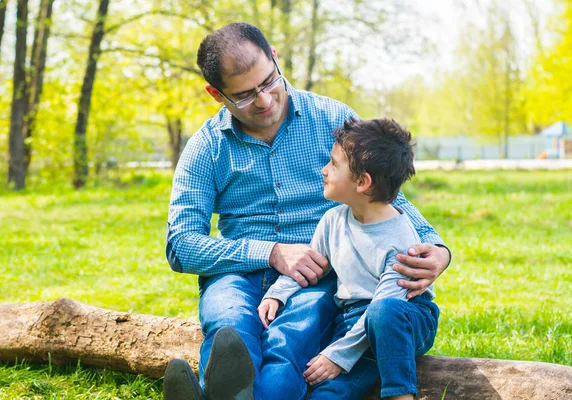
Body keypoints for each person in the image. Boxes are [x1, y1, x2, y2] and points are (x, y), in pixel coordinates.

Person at [164, 22, 451, 400]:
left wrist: (437, 248)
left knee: (292, 335)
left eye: (269, 82)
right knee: (228, 322)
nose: (265, 101)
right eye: (245, 96)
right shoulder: (206, 148)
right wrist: (269, 252)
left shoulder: (332, 118)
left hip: (316, 272)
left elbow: (382, 192)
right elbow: (180, 245)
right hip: (236, 271)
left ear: (275, 59)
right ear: (216, 94)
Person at [258, 118, 438, 400]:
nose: (324, 170)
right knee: (326, 393)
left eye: (333, 164)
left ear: (362, 182)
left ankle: (401, 395)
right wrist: (277, 295)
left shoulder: (401, 242)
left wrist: (337, 355)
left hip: (405, 319)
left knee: (383, 313)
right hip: (354, 320)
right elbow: (308, 265)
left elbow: (383, 308)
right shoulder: (333, 220)